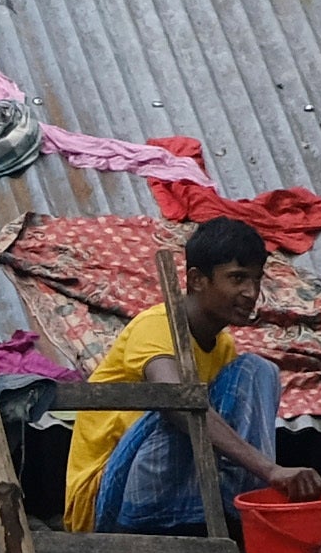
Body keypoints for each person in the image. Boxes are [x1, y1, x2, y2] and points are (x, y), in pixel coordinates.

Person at [66, 213, 296, 534]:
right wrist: (270, 470)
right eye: (237, 278)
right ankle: (126, 540)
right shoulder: (157, 325)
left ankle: (249, 511)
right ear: (198, 280)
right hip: (106, 497)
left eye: (256, 280)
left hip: (172, 493)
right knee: (190, 400)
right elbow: (176, 403)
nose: (250, 292)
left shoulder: (224, 347)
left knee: (259, 371)